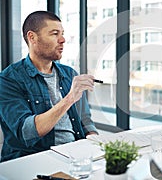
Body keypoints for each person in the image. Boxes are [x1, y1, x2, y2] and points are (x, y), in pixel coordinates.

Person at [0, 11, 98, 162]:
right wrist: (69, 98)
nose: (63, 40)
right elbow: (26, 132)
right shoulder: (8, 79)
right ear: (32, 37)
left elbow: (85, 120)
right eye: (54, 34)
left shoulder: (70, 73)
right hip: (33, 159)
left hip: (74, 154)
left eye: (62, 33)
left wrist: (94, 142)